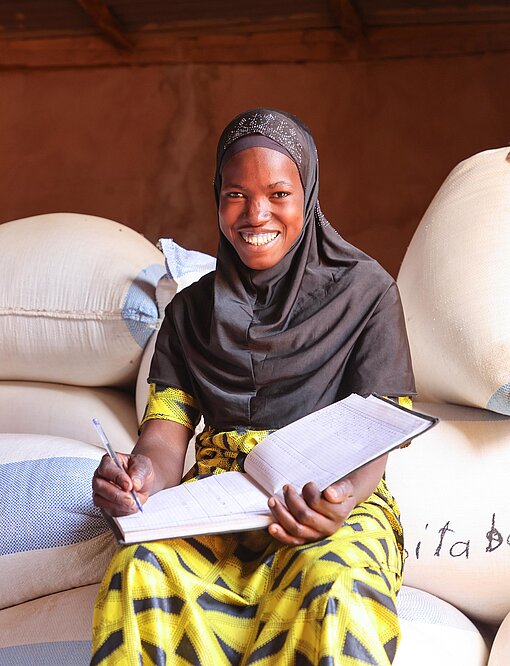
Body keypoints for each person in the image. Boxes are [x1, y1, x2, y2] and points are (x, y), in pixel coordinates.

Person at [91, 108, 415, 665]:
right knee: (138, 569)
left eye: (279, 193)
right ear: (217, 195)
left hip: (327, 503)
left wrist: (337, 503)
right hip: (217, 505)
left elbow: (376, 435)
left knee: (333, 582)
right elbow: (166, 436)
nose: (255, 213)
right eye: (236, 194)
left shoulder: (366, 294)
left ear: (308, 195)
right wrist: (139, 477)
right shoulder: (191, 311)